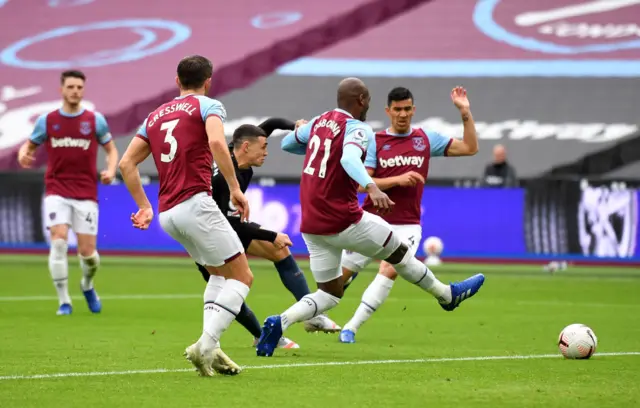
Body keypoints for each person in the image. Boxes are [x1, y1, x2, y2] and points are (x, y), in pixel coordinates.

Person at [255, 77, 485, 357]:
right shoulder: (358, 128)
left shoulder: (318, 122)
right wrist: (373, 187)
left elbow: (288, 144)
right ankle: (447, 296)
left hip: (312, 225)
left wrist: (311, 136)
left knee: (330, 293)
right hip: (344, 218)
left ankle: (278, 323)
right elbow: (350, 160)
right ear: (362, 101)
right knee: (399, 252)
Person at [118, 55, 251, 377]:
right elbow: (218, 141)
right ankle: (205, 344)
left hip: (168, 213)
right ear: (209, 81)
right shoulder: (208, 105)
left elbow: (125, 164)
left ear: (177, 81)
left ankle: (212, 347)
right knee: (243, 276)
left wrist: (144, 206)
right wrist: (235, 187)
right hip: (196, 203)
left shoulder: (153, 116)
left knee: (218, 274)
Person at [338, 86, 479, 343]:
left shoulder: (424, 139)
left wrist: (465, 112)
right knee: (335, 284)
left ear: (413, 110)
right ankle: (312, 315)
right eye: (397, 109)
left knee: (391, 268)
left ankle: (351, 327)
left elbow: (470, 148)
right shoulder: (375, 141)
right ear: (388, 111)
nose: (402, 114)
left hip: (407, 225)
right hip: (371, 220)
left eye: (407, 109)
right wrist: (398, 180)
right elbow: (360, 184)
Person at [195, 120, 340, 350]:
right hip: (208, 236)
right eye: (263, 148)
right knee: (230, 285)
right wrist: (272, 234)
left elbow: (265, 128)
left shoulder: (242, 157)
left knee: (278, 251)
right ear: (245, 148)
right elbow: (231, 225)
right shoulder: (223, 178)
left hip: (226, 226)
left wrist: (295, 126)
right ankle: (261, 335)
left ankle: (311, 314)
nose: (266, 153)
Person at [17, 70, 119, 316]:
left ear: (83, 90)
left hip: (85, 193)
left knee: (89, 256)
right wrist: (23, 153)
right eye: (71, 87)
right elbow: (29, 145)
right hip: (56, 190)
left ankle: (87, 285)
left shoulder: (94, 121)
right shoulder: (48, 121)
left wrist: (111, 169)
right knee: (59, 241)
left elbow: (112, 150)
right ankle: (64, 301)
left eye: (79, 87)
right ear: (61, 90)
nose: (75, 91)